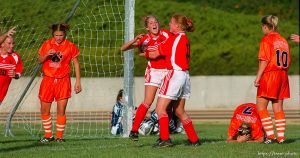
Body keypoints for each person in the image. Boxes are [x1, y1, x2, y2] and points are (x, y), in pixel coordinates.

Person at [146, 13, 200, 147]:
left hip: (175, 74)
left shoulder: (174, 39)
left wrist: (141, 49)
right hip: (185, 75)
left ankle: (165, 139)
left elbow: (154, 53)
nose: (169, 24)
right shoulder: (184, 38)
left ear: (177, 25)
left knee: (160, 109)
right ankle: (194, 139)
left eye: (171, 22)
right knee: (179, 111)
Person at [120, 15, 173, 141]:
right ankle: (134, 131)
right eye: (151, 23)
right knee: (147, 102)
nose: (154, 24)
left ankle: (164, 135)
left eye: (156, 21)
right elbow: (123, 48)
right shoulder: (144, 39)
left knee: (168, 106)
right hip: (154, 72)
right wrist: (134, 40)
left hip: (167, 71)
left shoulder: (165, 34)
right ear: (147, 27)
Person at [38, 23, 82, 143]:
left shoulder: (70, 46)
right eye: (56, 35)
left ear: (65, 34)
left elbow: (76, 64)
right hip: (48, 80)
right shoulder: (47, 44)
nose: (58, 37)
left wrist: (78, 81)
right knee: (44, 110)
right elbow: (39, 61)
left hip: (63, 81)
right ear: (53, 35)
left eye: (61, 35)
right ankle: (48, 136)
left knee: (61, 111)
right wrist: (47, 54)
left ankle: (59, 137)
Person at [254, 15, 291, 144]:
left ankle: (270, 137)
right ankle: (281, 138)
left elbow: (264, 60)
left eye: (262, 27)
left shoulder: (266, 39)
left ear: (265, 26)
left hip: (270, 75)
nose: (262, 29)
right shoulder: (283, 40)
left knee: (261, 107)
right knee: (278, 108)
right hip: (283, 75)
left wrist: (258, 77)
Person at [0, 27, 20, 106]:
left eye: (13, 43)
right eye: (9, 43)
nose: (12, 46)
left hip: (2, 93)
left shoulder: (15, 57)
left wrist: (15, 75)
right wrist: (5, 35)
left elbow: (19, 72)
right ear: (2, 44)